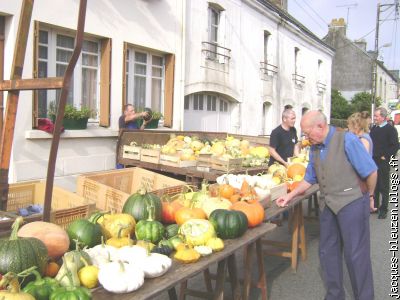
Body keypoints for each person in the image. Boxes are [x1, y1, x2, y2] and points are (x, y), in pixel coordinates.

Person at [277, 110, 377, 300]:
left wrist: (369, 196)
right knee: (327, 253)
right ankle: (334, 295)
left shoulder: (347, 140)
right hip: (328, 205)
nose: (305, 138)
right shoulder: (315, 147)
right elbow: (309, 179)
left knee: (356, 255)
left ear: (320, 127)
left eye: (307, 133)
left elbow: (371, 171)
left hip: (352, 203)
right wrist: (290, 196)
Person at [370, 107, 399, 219]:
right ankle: (375, 206)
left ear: (382, 117)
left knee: (383, 186)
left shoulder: (390, 129)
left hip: (382, 161)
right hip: (373, 160)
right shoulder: (374, 128)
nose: (375, 118)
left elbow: (395, 145)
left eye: (376, 116)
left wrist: (385, 156)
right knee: (375, 184)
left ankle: (384, 209)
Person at [347, 111, 377, 212]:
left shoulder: (363, 139)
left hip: (361, 182)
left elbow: (363, 163)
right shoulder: (360, 137)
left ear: (356, 126)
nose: (348, 127)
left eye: (349, 124)